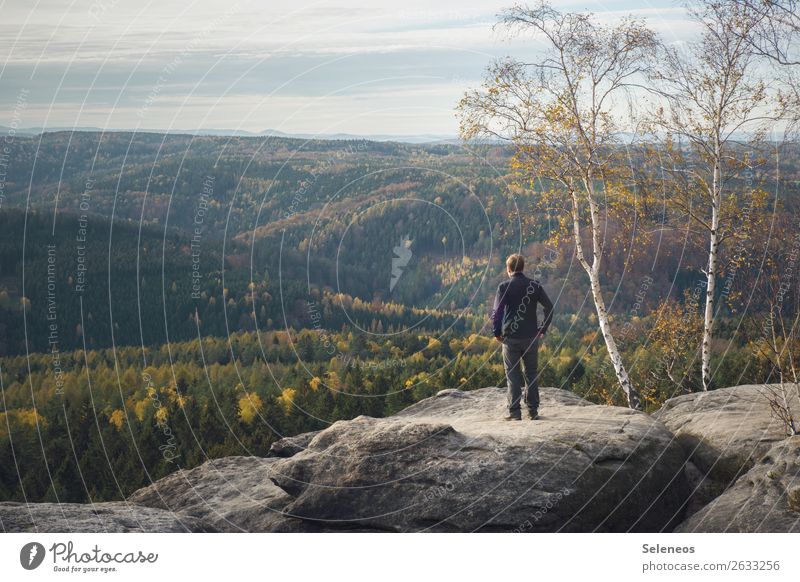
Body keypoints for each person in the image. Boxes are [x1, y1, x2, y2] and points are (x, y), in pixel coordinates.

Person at [491, 253, 554, 421]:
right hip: (531, 337)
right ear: (523, 268)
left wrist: (496, 332)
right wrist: (542, 329)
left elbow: (497, 313)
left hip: (510, 338)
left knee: (513, 374)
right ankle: (533, 411)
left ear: (509, 269)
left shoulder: (504, 287)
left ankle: (515, 412)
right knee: (531, 373)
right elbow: (549, 307)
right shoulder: (534, 285)